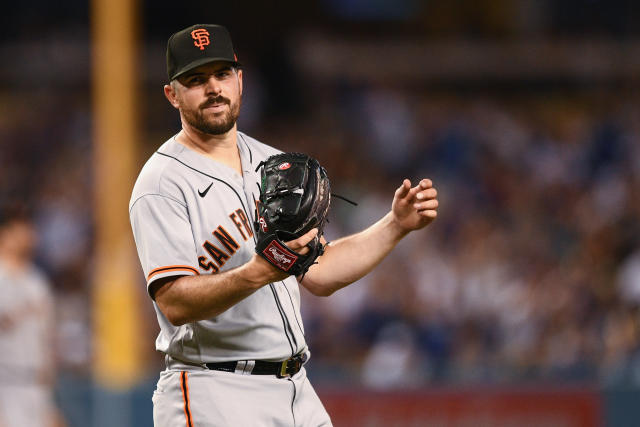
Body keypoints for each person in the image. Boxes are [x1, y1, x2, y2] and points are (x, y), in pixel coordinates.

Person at [129, 24, 439, 427]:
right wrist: (257, 273)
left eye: (222, 75)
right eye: (196, 80)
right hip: (214, 389)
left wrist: (395, 225)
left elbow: (320, 272)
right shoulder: (161, 182)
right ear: (173, 94)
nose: (213, 88)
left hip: (295, 388)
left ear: (240, 81)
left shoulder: (273, 164)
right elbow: (173, 301)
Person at [0, 205, 65, 427]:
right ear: (5, 234)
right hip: (6, 383)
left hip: (36, 384)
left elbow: (47, 339)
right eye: (20, 228)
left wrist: (50, 399)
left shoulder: (37, 282)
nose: (28, 234)